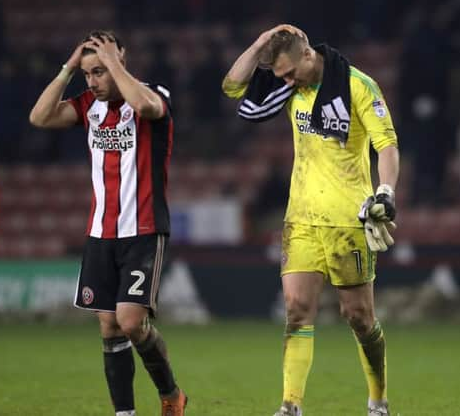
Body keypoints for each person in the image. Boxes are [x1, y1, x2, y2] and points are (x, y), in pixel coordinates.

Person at [222, 25, 400, 416]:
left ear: (307, 55)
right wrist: (258, 43)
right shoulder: (292, 86)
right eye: (280, 75)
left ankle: (378, 401)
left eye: (288, 73)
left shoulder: (357, 85)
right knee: (297, 309)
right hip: (301, 217)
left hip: (348, 219)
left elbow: (385, 144)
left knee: (359, 318)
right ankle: (291, 406)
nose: (285, 82)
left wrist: (385, 192)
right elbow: (233, 87)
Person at [29, 30, 187, 416]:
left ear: (120, 61)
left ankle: (171, 394)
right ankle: (124, 413)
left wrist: (114, 62)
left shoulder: (153, 96)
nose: (94, 81)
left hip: (144, 230)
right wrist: (68, 68)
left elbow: (146, 107)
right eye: (89, 74)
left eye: (99, 72)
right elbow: (39, 116)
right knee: (109, 328)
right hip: (100, 233)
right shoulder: (88, 106)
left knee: (131, 322)